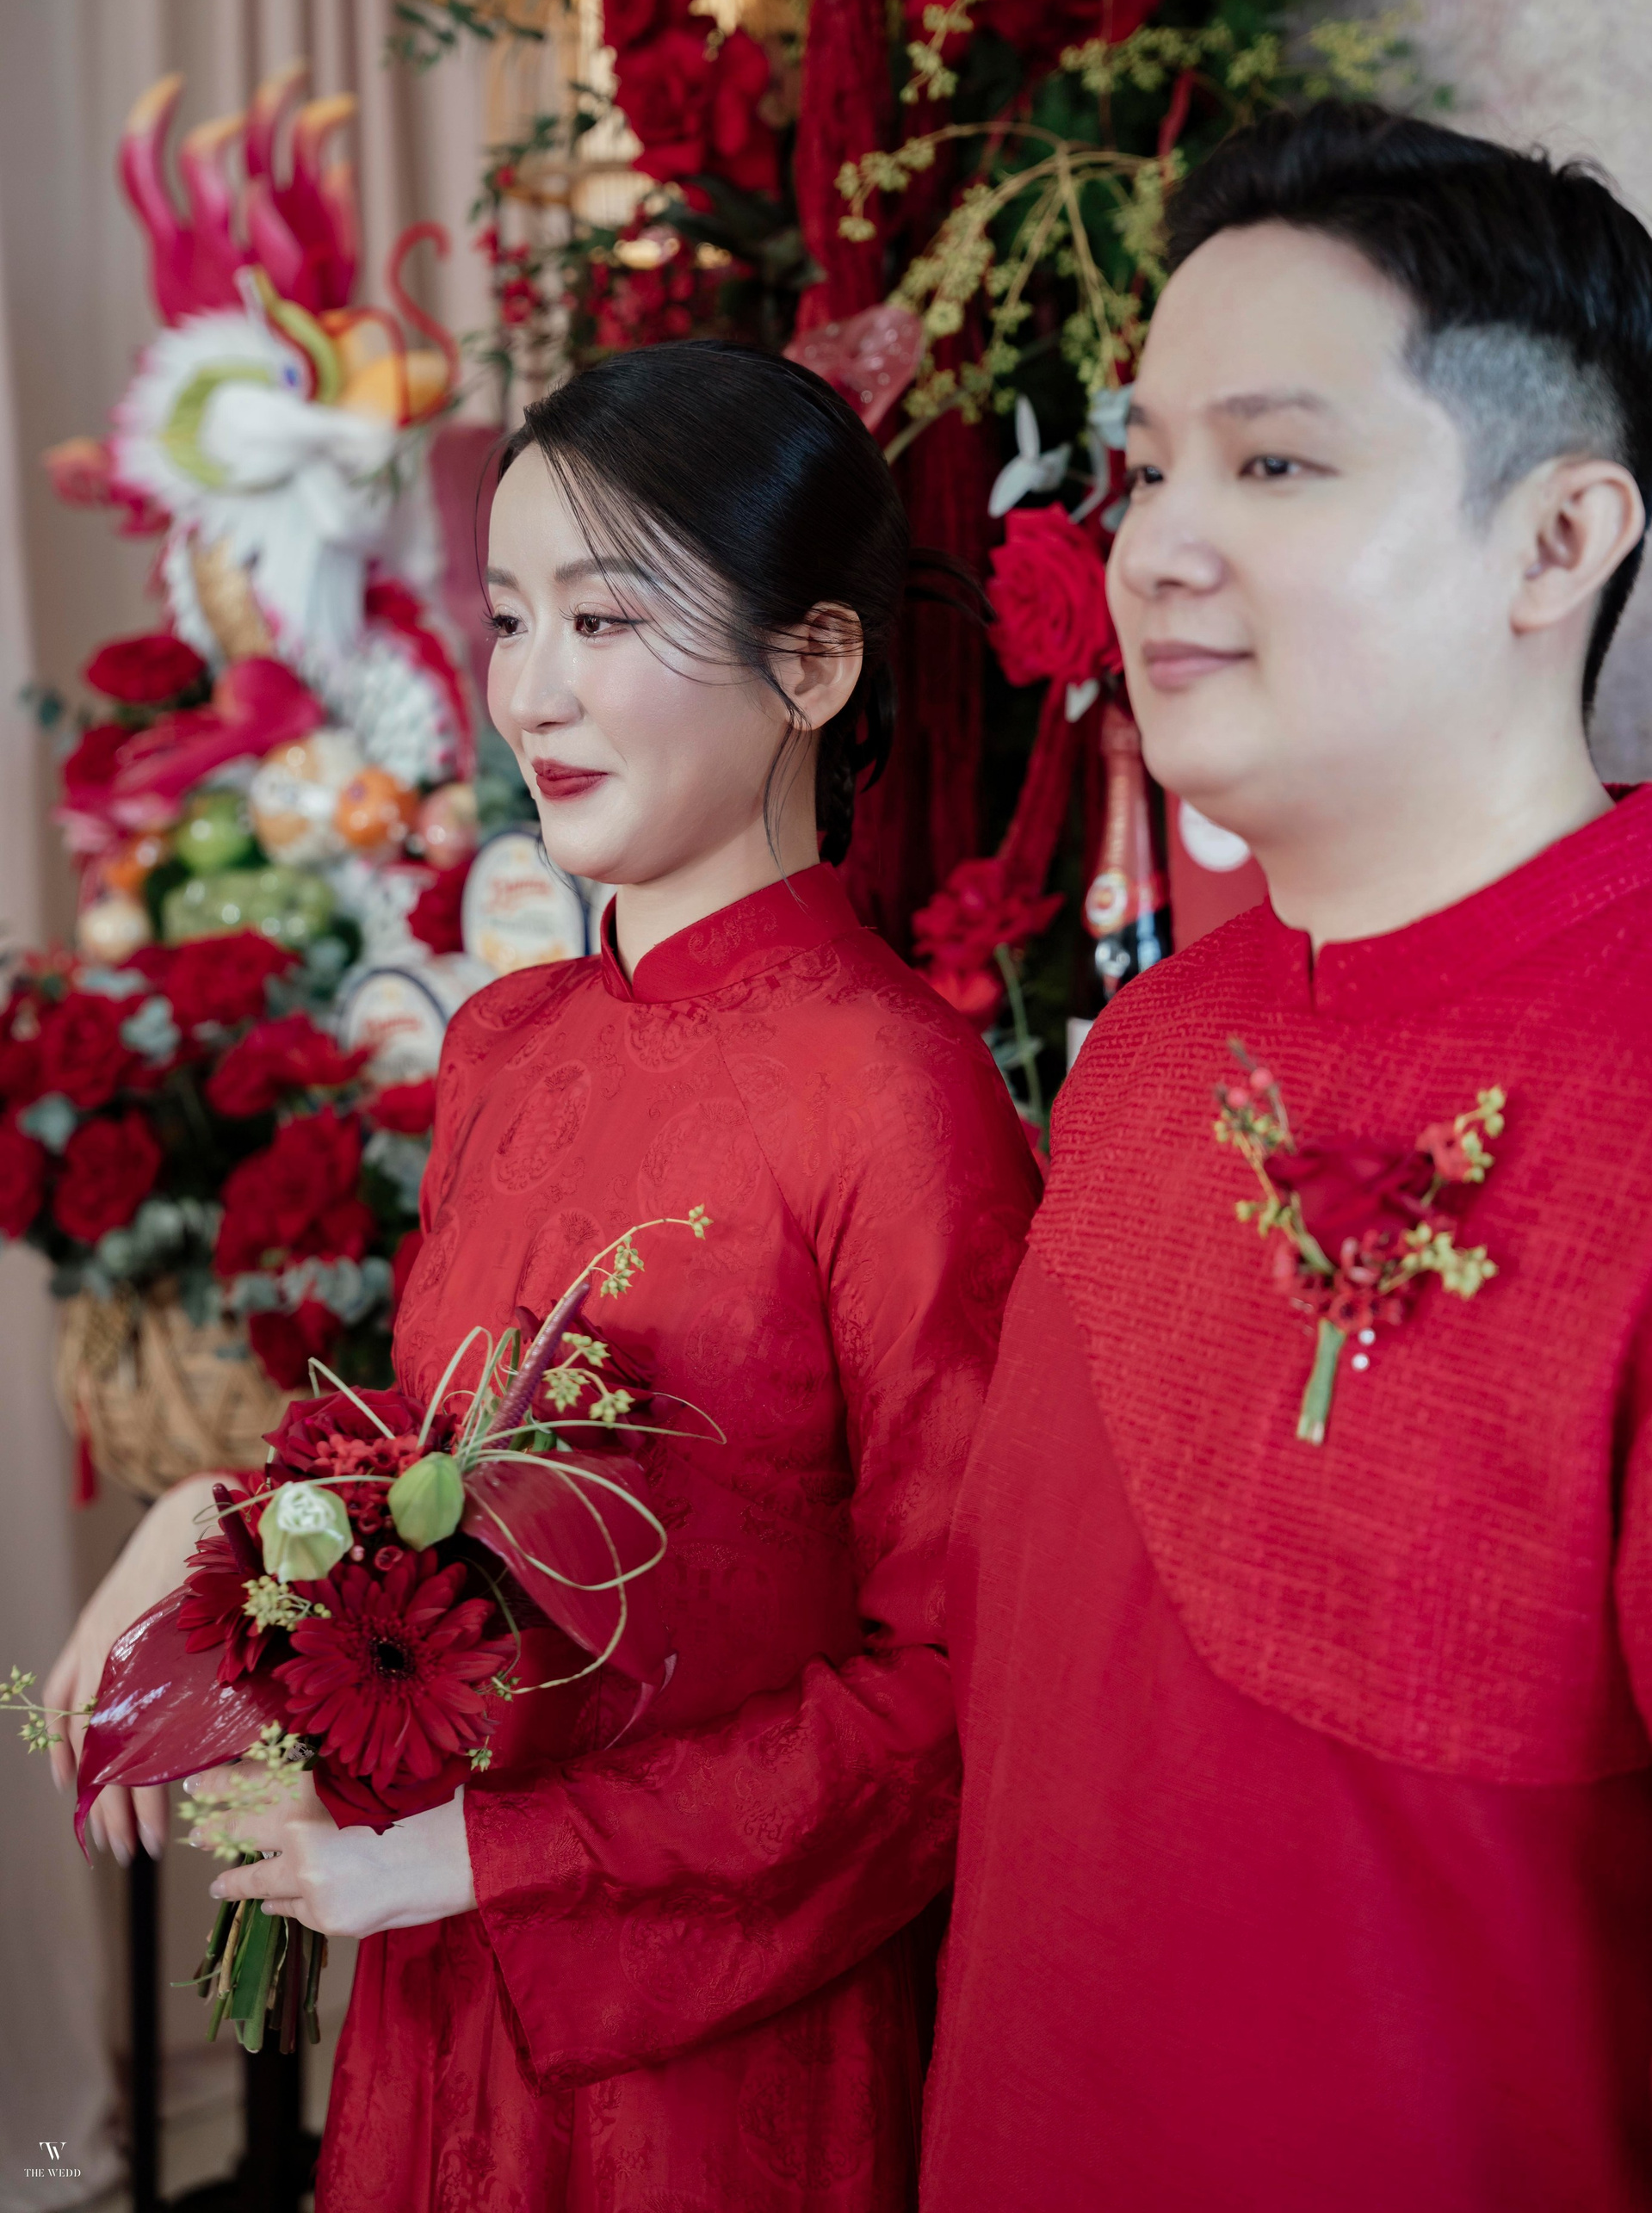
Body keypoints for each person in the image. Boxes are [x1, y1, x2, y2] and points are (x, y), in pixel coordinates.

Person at [46, 342, 1039, 2213]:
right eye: (510, 619)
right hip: (442, 1993)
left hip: (720, 2041)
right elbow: (438, 1466)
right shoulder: (505, 1041)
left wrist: (478, 1859)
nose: (529, 691)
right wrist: (217, 1522)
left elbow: (951, 1698)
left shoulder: (898, 1099)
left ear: (815, 663)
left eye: (605, 617)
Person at [920, 103, 1652, 2211]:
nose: (1153, 545)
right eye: (1150, 467)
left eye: (1275, 466)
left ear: (1558, 540)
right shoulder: (1156, 1058)